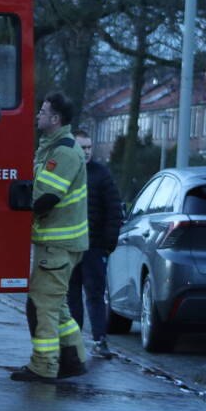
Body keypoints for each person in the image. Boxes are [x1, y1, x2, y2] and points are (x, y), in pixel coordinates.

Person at [11, 92, 90, 382]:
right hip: (58, 244)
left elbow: (45, 197)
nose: (37, 115)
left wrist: (19, 213)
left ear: (55, 119)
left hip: (58, 245)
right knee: (57, 306)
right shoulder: (53, 148)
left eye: (42, 111)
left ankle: (44, 365)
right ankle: (74, 358)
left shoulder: (64, 152)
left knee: (42, 305)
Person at [66, 130, 123, 359]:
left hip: (94, 246)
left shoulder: (101, 174)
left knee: (94, 295)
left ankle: (99, 340)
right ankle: (75, 340)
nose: (87, 152)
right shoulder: (68, 172)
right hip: (71, 246)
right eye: (82, 147)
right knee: (72, 296)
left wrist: (107, 244)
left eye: (89, 147)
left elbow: (113, 210)